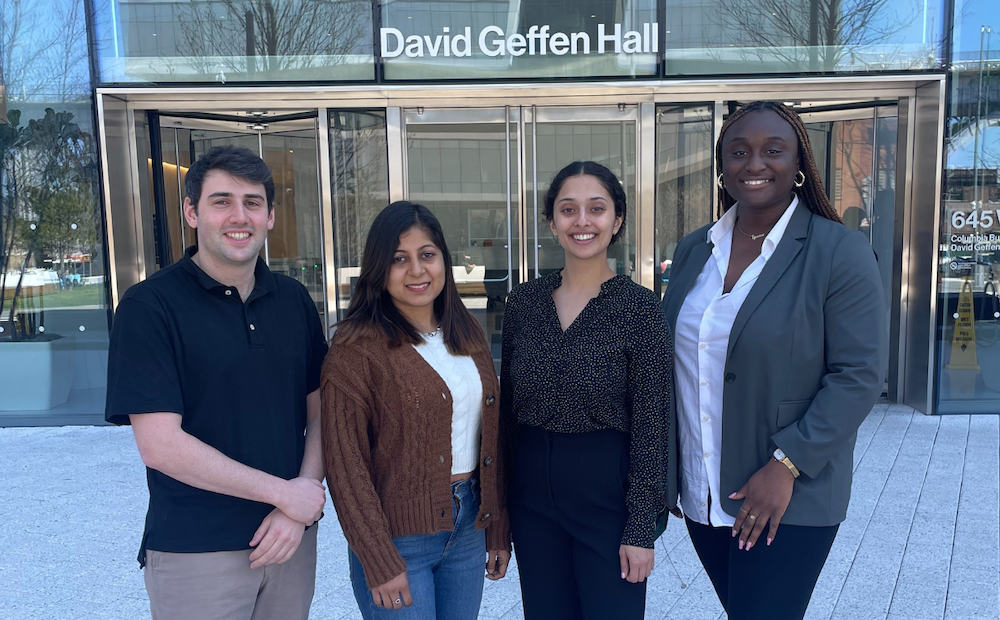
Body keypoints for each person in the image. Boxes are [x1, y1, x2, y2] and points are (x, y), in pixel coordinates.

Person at [660, 101, 886, 620]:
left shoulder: (837, 251)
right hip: (704, 490)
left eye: (772, 150)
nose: (754, 163)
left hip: (785, 494)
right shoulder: (697, 249)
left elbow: (859, 375)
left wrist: (787, 465)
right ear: (722, 166)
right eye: (739, 151)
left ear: (798, 164)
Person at [105, 145, 328, 620]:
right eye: (221, 200)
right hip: (196, 552)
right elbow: (161, 445)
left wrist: (301, 500)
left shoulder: (292, 300)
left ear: (269, 216)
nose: (238, 215)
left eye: (252, 202)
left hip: (290, 544)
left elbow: (322, 408)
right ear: (191, 211)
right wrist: (284, 494)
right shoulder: (149, 307)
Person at [321, 201, 510, 620]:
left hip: (468, 529)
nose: (417, 271)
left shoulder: (468, 332)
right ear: (378, 269)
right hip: (399, 539)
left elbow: (489, 440)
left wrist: (496, 526)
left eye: (427, 255)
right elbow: (345, 465)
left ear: (444, 259)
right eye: (398, 259)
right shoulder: (356, 350)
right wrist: (377, 558)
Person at [500, 161, 672, 620]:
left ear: (616, 220)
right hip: (532, 489)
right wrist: (498, 510)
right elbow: (506, 415)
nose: (582, 221)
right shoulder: (524, 303)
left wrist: (640, 528)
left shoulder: (640, 309)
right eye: (568, 209)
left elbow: (652, 423)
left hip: (606, 490)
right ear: (551, 222)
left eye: (596, 209)